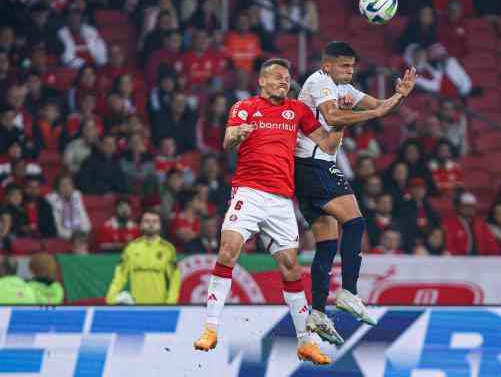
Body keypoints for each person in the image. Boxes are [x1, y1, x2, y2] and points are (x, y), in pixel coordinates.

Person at [193, 58, 354, 365]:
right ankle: (210, 329)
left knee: (291, 268)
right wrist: (239, 134)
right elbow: (228, 140)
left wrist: (343, 118)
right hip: (249, 192)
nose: (285, 81)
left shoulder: (297, 111)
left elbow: (328, 145)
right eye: (279, 76)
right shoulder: (245, 107)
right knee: (228, 250)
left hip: (281, 200)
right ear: (262, 81)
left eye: (288, 77)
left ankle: (305, 343)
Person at [293, 41, 416, 345]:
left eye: (352, 65)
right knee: (356, 222)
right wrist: (377, 112)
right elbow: (333, 117)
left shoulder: (344, 88)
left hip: (309, 166)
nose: (350, 70)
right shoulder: (319, 82)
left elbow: (380, 106)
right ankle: (348, 292)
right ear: (327, 66)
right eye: (344, 65)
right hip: (313, 163)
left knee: (326, 244)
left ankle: (319, 312)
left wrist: (399, 94)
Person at [106, 210, 180, 304]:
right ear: (141, 224)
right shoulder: (131, 248)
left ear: (160, 225)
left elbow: (175, 279)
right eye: (147, 221)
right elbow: (120, 275)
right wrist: (111, 296)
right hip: (136, 306)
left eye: (155, 221)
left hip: (160, 306)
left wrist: (171, 303)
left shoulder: (168, 249)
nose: (151, 224)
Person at [442, 191, 501, 255]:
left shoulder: (480, 225)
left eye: (471, 206)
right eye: (466, 206)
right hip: (459, 261)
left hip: (479, 261)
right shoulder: (450, 224)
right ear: (459, 207)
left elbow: (492, 246)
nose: (469, 209)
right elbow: (449, 245)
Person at [46, 173, 91, 239]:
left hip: (81, 237)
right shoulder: (52, 202)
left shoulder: (77, 197)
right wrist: (74, 237)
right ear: (57, 188)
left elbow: (86, 222)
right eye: (63, 185)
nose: (67, 188)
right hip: (64, 238)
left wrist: (82, 234)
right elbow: (58, 229)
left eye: (69, 184)